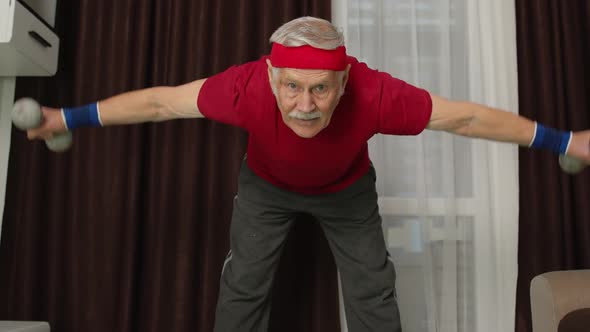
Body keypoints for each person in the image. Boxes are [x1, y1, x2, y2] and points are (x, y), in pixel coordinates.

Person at [26, 16, 590, 332]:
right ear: (271, 76)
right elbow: (157, 103)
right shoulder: (244, 87)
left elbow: (464, 118)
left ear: (344, 82)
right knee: (243, 289)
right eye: (291, 86)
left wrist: (563, 139)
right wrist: (65, 117)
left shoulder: (374, 94)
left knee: (373, 291)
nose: (304, 104)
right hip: (265, 191)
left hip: (347, 192)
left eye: (320, 88)